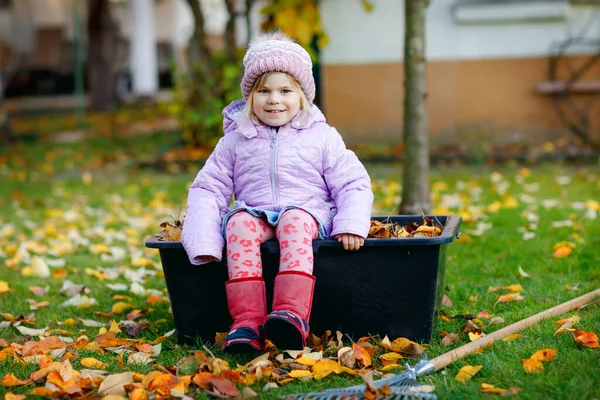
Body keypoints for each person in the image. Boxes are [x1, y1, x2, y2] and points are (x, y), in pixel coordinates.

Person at [181, 31, 373, 353]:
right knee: (238, 223)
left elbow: (351, 181)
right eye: (264, 91)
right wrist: (203, 239)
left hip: (305, 211)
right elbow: (208, 188)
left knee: (293, 222)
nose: (274, 99)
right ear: (250, 96)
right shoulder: (235, 141)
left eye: (285, 90)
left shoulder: (322, 137)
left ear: (302, 97)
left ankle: (291, 314)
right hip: (254, 213)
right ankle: (247, 321)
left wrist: (351, 223)